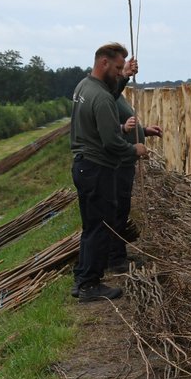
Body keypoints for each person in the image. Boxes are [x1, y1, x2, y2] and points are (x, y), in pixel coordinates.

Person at [69, 43, 147, 302]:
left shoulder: (84, 86)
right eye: (116, 67)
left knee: (91, 226)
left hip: (83, 165)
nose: (119, 72)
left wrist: (124, 76)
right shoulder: (101, 98)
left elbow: (111, 90)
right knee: (100, 227)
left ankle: (82, 278)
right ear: (103, 63)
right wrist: (134, 149)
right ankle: (90, 285)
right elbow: (111, 143)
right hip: (96, 168)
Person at [108, 88, 163, 274]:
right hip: (119, 163)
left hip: (125, 162)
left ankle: (118, 254)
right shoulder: (107, 97)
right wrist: (131, 145)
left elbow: (126, 125)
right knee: (117, 211)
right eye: (118, 69)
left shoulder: (117, 95)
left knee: (122, 211)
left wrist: (144, 130)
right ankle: (115, 259)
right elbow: (109, 131)